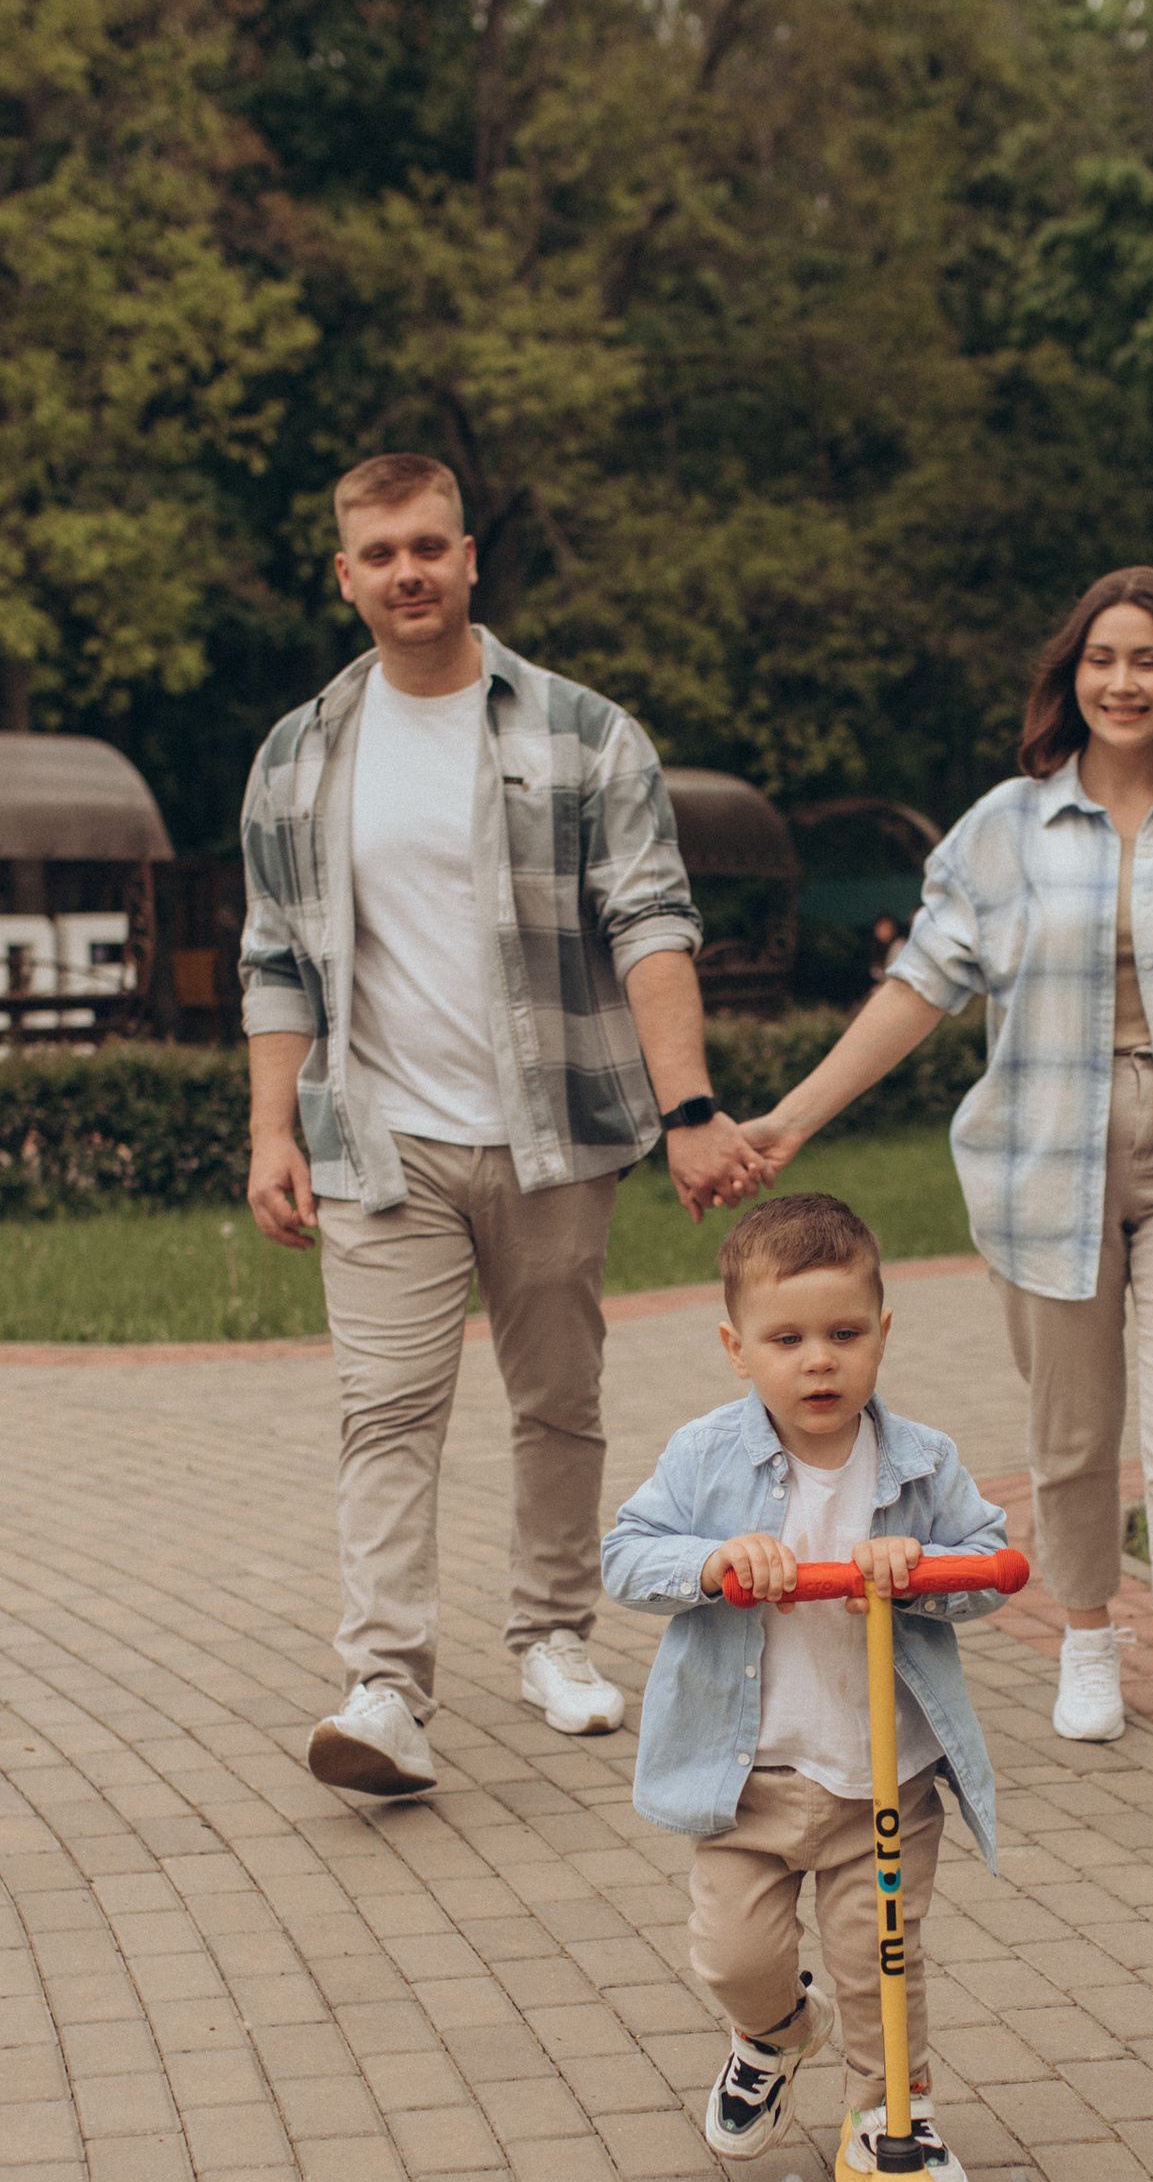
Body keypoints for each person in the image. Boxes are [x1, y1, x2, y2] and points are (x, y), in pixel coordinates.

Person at [738, 565, 1153, 1829]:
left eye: (1149, 661)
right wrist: (789, 1118)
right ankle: (1087, 1628)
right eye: (1102, 659)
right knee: (1072, 1440)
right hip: (1045, 1166)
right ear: (1072, 677)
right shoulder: (1004, 828)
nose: (1124, 681)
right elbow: (917, 994)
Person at [241, 451, 764, 1799]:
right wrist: (270, 1132)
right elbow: (274, 958)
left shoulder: (586, 734)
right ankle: (384, 1688)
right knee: (387, 1406)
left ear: (470, 558)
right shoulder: (301, 753)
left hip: (553, 1131)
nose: (407, 572)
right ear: (344, 575)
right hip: (377, 1137)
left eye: (430, 546)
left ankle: (552, 1634)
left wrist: (690, 1107)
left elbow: (651, 924)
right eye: (380, 553)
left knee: (557, 1399)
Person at [600, 1191, 1007, 2182]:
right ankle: (775, 2034)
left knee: (881, 1964)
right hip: (748, 1780)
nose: (817, 1359)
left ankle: (890, 2122)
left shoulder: (920, 1464)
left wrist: (924, 1574)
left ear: (881, 1334)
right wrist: (712, 1562)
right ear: (738, 1349)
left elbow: (990, 1559)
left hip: (885, 1777)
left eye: (843, 1333)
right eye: (786, 1338)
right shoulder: (706, 1456)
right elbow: (624, 1555)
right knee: (737, 1957)